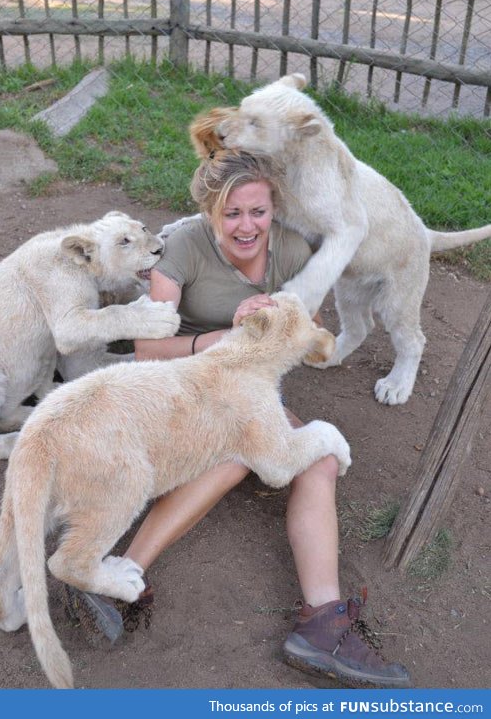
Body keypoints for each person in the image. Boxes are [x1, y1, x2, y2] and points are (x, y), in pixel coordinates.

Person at [65, 149, 410, 688]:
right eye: (231, 214)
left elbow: (312, 339)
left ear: (273, 209)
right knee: (234, 452)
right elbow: (149, 349)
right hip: (173, 392)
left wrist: (282, 316)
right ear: (209, 212)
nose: (246, 226)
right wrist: (225, 336)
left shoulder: (292, 249)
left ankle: (323, 623)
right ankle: (117, 572)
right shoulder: (183, 247)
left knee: (316, 461)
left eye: (258, 212)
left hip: (245, 395)